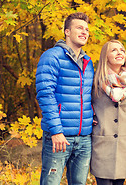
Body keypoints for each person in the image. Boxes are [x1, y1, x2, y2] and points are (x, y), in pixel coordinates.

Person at [36, 12, 94, 185]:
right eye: (79, 28)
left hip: (84, 138)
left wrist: (92, 117)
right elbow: (45, 95)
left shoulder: (88, 61)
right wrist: (56, 131)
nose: (84, 32)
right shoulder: (51, 56)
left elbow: (87, 96)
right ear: (67, 32)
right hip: (59, 136)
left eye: (86, 29)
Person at [90, 40, 126, 185]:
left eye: (122, 50)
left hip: (123, 143)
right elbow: (84, 102)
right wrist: (89, 115)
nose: (119, 53)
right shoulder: (96, 80)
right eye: (114, 50)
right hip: (102, 141)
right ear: (105, 56)